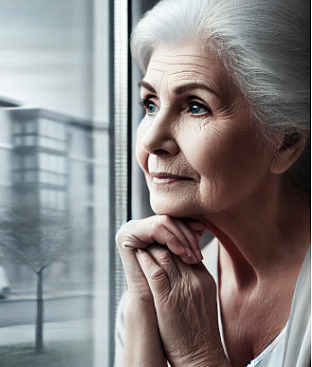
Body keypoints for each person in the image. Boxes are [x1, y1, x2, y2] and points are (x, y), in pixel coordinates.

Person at [114, 0, 310, 366]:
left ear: (284, 142)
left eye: (195, 106)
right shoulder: (160, 286)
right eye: (150, 104)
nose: (151, 139)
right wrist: (140, 309)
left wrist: (196, 354)